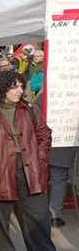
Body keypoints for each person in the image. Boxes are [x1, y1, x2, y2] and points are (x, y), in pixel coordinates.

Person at [0, 71, 74, 251]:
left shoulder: (31, 110)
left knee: (39, 217)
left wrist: (40, 160)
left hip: (30, 169)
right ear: (2, 89)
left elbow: (45, 135)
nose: (20, 90)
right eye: (15, 86)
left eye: (21, 86)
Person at [32, 91, 77, 228]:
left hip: (42, 143)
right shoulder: (74, 96)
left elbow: (31, 115)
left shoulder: (43, 95)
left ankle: (38, 213)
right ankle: (54, 215)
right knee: (59, 179)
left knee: (39, 179)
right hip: (65, 142)